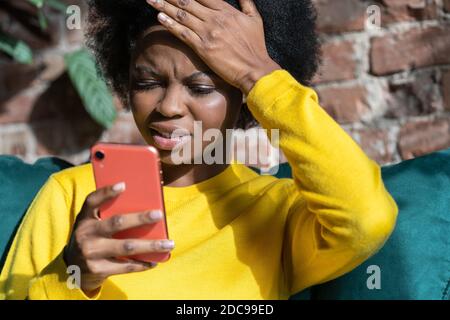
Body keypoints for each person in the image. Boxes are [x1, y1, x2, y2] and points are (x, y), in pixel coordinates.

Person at [0, 0, 398, 300]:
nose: (169, 106)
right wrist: (72, 276)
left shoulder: (276, 211)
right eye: (147, 82)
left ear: (244, 97)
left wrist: (258, 72)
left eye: (201, 88)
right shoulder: (71, 194)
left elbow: (367, 219)